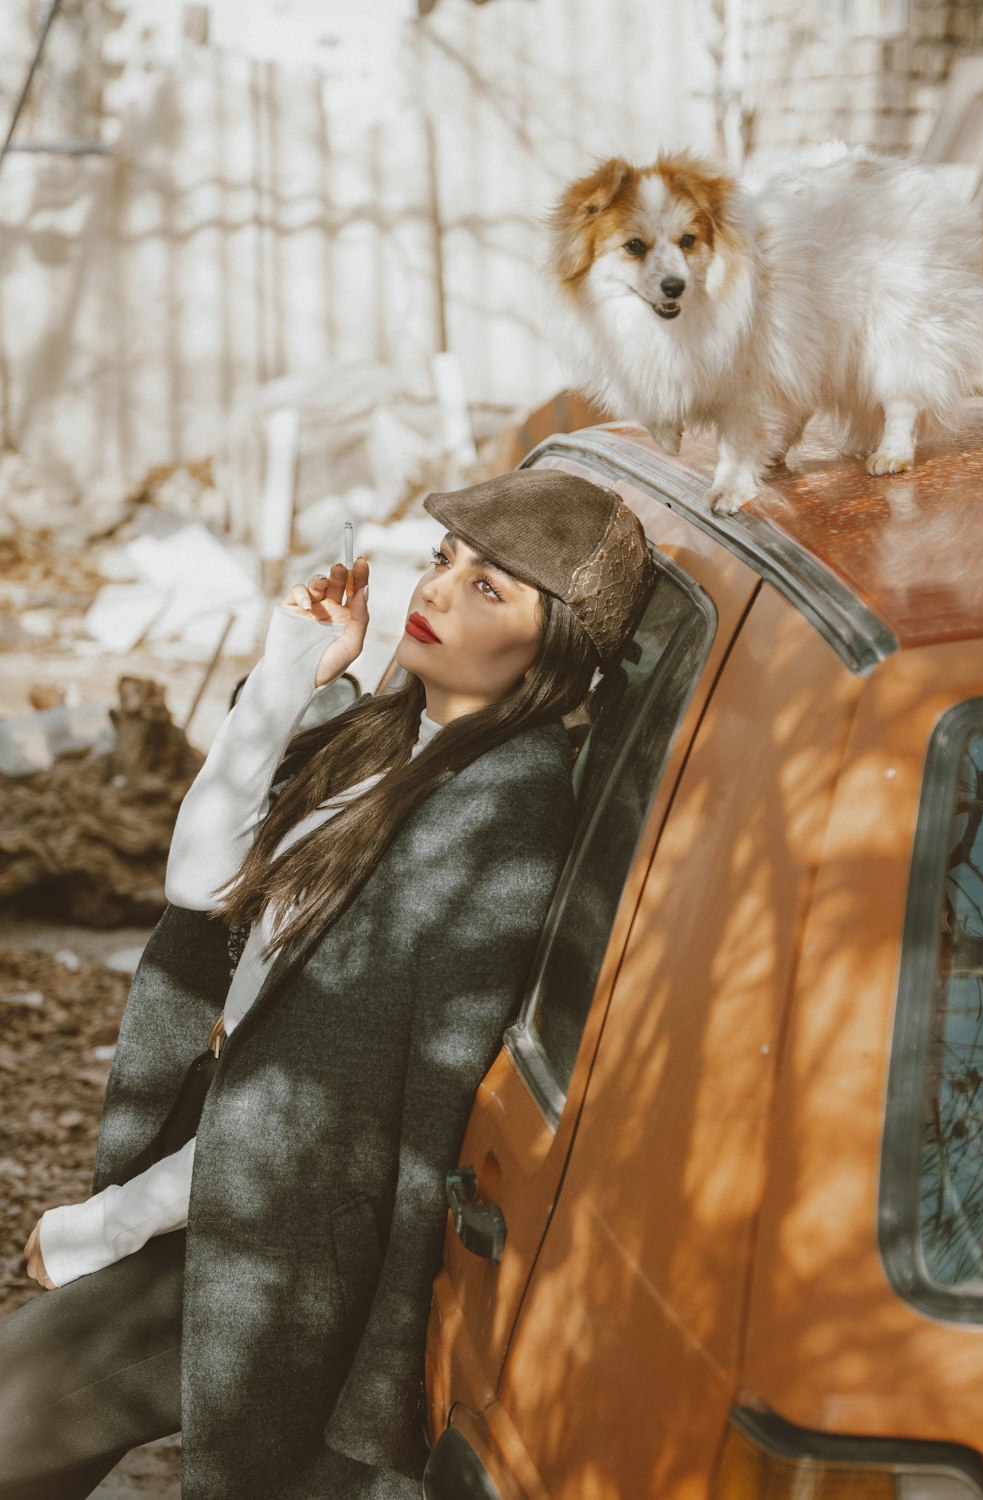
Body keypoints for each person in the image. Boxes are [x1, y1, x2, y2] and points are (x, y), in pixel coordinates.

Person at [0, 470, 653, 1500]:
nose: (437, 592)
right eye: (445, 562)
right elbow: (201, 884)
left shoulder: (496, 820)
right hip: (227, 1170)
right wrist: (288, 672)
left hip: (286, 1231)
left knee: (17, 1420)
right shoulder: (393, 731)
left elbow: (323, 1108)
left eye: (491, 588)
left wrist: (111, 1224)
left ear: (557, 645)